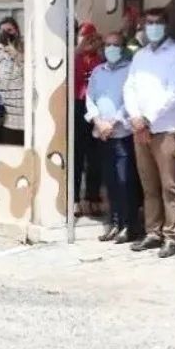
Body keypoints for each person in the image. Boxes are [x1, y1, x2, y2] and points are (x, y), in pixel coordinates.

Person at [124, 7, 175, 257]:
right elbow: (129, 87)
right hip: (140, 128)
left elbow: (174, 92)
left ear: (166, 25)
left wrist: (147, 119)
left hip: (163, 128)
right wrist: (135, 117)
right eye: (148, 22)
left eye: (157, 22)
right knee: (148, 185)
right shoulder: (140, 56)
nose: (152, 27)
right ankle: (153, 232)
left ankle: (172, 235)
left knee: (169, 186)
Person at [86, 31, 138, 242]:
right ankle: (114, 223)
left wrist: (113, 122)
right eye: (107, 45)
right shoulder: (98, 71)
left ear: (123, 47)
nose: (111, 49)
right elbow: (90, 98)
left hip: (122, 134)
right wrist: (98, 121)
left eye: (115, 45)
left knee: (125, 181)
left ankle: (129, 225)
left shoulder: (129, 70)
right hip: (102, 136)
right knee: (110, 182)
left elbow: (131, 100)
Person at [73, 22, 104, 218]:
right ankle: (75, 198)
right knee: (77, 155)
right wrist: (79, 48)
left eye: (92, 38)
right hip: (77, 106)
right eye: (86, 37)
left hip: (96, 108)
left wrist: (97, 50)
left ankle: (93, 197)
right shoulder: (74, 57)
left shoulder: (100, 60)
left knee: (95, 157)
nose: (89, 42)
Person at [0, 16, 25, 145]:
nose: (6, 34)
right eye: (2, 31)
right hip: (8, 120)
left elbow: (32, 77)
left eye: (10, 30)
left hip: (26, 118)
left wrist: (17, 56)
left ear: (17, 31)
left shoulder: (27, 50)